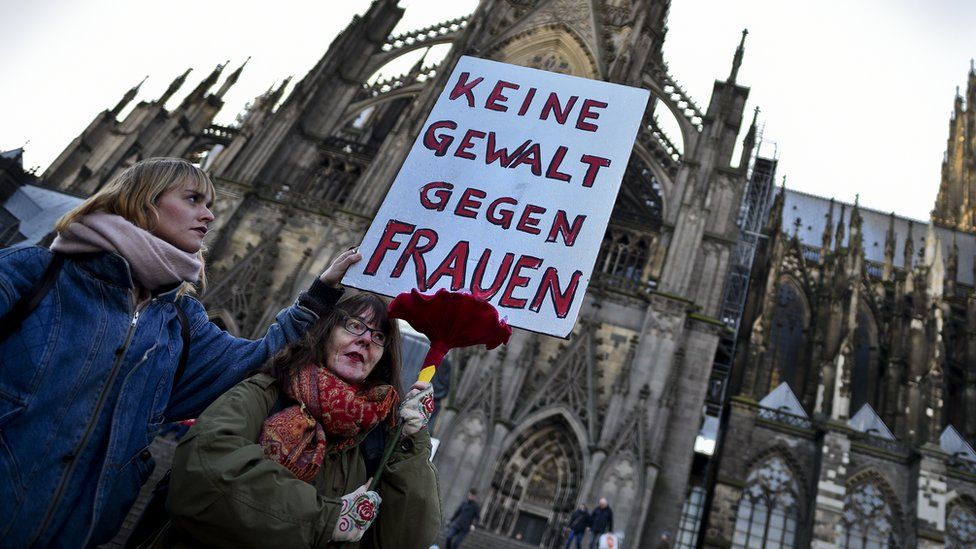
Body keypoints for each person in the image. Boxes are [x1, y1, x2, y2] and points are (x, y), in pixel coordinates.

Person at [0, 157, 353, 547]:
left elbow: (256, 362)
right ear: (144, 201)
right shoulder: (34, 273)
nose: (210, 216)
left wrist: (319, 293)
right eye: (193, 199)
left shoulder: (181, 320)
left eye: (210, 204)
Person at [159, 291, 442, 548]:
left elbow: (407, 540)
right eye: (355, 325)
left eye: (379, 337)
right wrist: (327, 519)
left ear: (382, 356)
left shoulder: (380, 435)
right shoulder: (268, 391)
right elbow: (201, 475)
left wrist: (410, 442)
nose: (367, 339)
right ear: (326, 331)